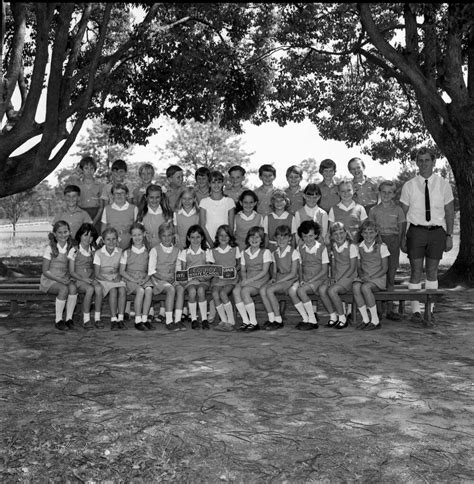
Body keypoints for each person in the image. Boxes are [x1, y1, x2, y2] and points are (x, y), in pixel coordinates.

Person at [400, 147, 454, 325]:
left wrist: (449, 235)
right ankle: (416, 311)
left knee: (432, 271)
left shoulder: (443, 184)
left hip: (437, 232)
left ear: (434, 162)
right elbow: (403, 214)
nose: (423, 163)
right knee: (415, 271)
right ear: (416, 162)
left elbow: (449, 211)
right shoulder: (409, 186)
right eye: (420, 160)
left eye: (427, 160)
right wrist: (402, 237)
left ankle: (429, 310)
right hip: (416, 231)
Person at [369, 180, 407, 319]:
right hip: (378, 243)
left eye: (389, 192)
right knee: (379, 275)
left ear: (394, 194)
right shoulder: (374, 210)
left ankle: (390, 309)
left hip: (393, 243)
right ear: (379, 193)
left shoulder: (398, 210)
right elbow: (370, 230)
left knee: (390, 275)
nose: (386, 194)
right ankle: (378, 309)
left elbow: (402, 229)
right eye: (383, 192)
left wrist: (401, 242)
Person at [289, 220, 329, 330]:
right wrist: (301, 280)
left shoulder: (322, 248)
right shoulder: (300, 248)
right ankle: (305, 318)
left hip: (318, 278)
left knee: (301, 291)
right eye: (305, 236)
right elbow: (300, 266)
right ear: (301, 236)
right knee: (292, 291)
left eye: (311, 236)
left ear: (316, 235)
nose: (308, 239)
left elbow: (324, 270)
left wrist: (309, 281)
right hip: (305, 278)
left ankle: (313, 320)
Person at [319, 222, 358, 329]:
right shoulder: (333, 247)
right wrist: (332, 277)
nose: (339, 236)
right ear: (331, 236)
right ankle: (333, 316)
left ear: (346, 233)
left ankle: (342, 318)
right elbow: (334, 265)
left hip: (348, 277)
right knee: (322, 289)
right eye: (335, 234)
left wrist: (339, 280)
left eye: (341, 233)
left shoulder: (352, 247)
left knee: (332, 290)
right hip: (337, 277)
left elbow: (352, 268)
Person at [39, 220, 78, 331]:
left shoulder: (71, 248)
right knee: (64, 289)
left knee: (73, 288)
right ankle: (58, 320)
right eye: (59, 233)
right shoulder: (50, 248)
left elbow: (72, 266)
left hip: (64, 278)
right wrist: (59, 280)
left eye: (65, 232)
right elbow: (45, 271)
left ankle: (69, 319)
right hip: (50, 279)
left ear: (69, 232)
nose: (63, 235)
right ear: (55, 234)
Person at [260, 225, 299, 330]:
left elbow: (293, 273)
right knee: (263, 290)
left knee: (270, 290)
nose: (281, 240)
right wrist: (273, 279)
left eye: (284, 237)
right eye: (279, 237)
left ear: (290, 238)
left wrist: (278, 282)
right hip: (279, 278)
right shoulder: (275, 253)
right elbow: (274, 270)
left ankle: (278, 320)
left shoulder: (293, 252)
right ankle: (271, 318)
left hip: (289, 280)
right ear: (275, 238)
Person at [233, 226, 272, 332]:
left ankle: (254, 322)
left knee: (245, 291)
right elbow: (243, 270)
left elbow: (264, 271)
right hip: (248, 278)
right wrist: (245, 279)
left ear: (262, 240)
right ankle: (245, 321)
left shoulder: (265, 252)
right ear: (248, 239)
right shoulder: (244, 252)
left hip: (261, 279)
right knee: (236, 290)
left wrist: (248, 281)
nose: (254, 240)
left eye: (257, 237)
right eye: (251, 237)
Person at [353, 220, 390, 330]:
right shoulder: (359, 247)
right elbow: (359, 267)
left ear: (376, 233)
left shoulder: (382, 247)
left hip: (378, 278)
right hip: (365, 276)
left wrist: (371, 278)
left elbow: (385, 268)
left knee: (365, 287)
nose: (368, 235)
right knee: (355, 286)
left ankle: (375, 320)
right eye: (365, 233)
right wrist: (362, 275)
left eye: (371, 232)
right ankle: (365, 319)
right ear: (362, 234)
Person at [148, 222, 186, 331]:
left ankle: (178, 320)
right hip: (158, 279)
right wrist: (164, 277)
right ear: (160, 236)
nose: (167, 238)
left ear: (173, 236)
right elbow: (151, 270)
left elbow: (178, 268)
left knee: (180, 289)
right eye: (164, 235)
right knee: (170, 289)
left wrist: (175, 277)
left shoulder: (177, 250)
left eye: (169, 235)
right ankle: (169, 321)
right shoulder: (155, 250)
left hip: (172, 278)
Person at [119, 223, 155, 331]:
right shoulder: (127, 252)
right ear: (130, 236)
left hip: (144, 278)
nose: (137, 237)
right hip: (130, 278)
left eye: (139, 234)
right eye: (134, 235)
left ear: (144, 234)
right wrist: (133, 279)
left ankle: (145, 319)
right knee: (140, 291)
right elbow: (121, 271)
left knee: (148, 290)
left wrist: (146, 279)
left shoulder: (148, 251)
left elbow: (150, 269)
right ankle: (137, 320)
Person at [177, 224, 212, 330]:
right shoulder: (184, 252)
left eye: (198, 237)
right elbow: (183, 271)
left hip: (203, 280)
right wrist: (189, 277)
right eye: (192, 237)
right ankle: (194, 319)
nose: (195, 240)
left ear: (202, 237)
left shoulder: (207, 252)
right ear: (188, 238)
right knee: (192, 292)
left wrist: (205, 278)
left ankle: (204, 319)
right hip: (190, 281)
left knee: (201, 290)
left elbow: (210, 270)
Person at [68, 223, 101, 330]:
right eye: (85, 235)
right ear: (80, 235)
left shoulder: (93, 251)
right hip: (78, 279)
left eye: (91, 236)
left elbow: (96, 268)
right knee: (90, 289)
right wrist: (84, 279)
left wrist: (94, 279)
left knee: (99, 288)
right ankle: (86, 319)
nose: (88, 238)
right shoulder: (74, 250)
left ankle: (97, 318)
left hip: (90, 278)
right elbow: (72, 272)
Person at [208, 224, 241, 332]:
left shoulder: (234, 249)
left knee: (223, 293)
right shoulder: (213, 251)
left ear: (230, 237)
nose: (223, 238)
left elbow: (239, 264)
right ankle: (223, 320)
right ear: (217, 237)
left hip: (231, 279)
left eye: (226, 235)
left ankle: (231, 322)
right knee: (215, 294)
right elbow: (210, 266)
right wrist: (213, 271)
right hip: (218, 279)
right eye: (221, 235)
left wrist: (234, 270)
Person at [93, 227, 127, 330]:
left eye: (114, 239)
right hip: (103, 278)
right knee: (113, 290)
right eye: (108, 239)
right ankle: (113, 319)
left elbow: (122, 269)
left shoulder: (121, 252)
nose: (111, 242)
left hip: (116, 277)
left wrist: (118, 276)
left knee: (122, 290)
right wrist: (108, 281)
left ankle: (120, 318)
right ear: (103, 240)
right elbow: (97, 273)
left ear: (117, 240)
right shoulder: (98, 253)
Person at [199, 170, 235, 247]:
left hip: (225, 243)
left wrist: (226, 243)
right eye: (213, 182)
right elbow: (202, 226)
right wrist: (211, 244)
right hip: (208, 243)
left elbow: (231, 226)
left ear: (223, 183)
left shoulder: (229, 201)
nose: (216, 185)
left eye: (219, 182)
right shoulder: (204, 202)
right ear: (209, 184)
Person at [101, 183, 138, 250]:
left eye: (122, 193)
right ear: (112, 195)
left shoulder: (134, 208)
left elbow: (137, 228)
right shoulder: (107, 209)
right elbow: (104, 227)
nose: (119, 195)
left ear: (126, 194)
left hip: (128, 243)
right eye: (116, 193)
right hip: (111, 243)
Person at [138, 184, 173, 249]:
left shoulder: (166, 213)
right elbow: (139, 232)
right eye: (151, 197)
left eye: (157, 197)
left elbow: (170, 232)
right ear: (146, 197)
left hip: (163, 248)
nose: (154, 200)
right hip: (146, 248)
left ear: (161, 197)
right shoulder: (142, 213)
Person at [76, 156, 103, 231]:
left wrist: (93, 222)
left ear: (95, 170)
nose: (89, 171)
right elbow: (75, 205)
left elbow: (101, 207)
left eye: (92, 168)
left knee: (96, 240)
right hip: (81, 216)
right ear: (82, 169)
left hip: (97, 217)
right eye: (86, 168)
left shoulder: (100, 186)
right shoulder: (77, 186)